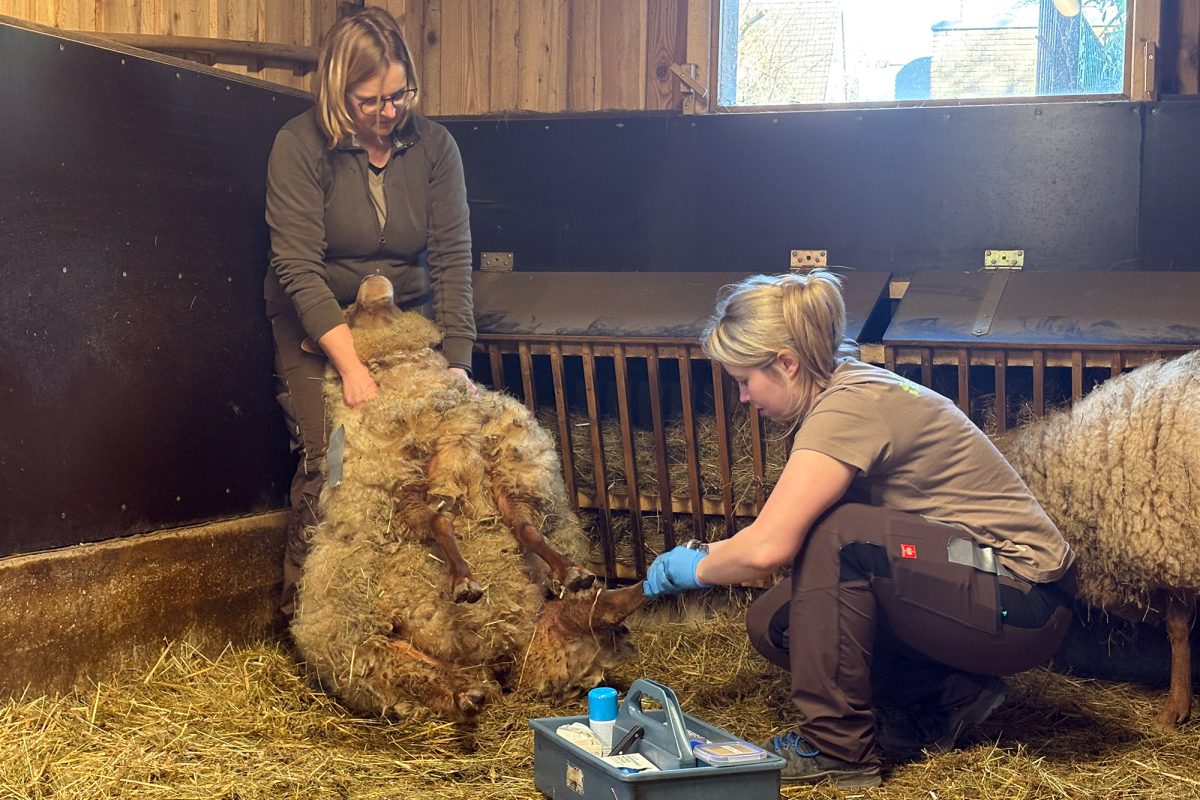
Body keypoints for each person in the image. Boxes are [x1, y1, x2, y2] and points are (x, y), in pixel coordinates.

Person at [643, 270, 1076, 789]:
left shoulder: (848, 408)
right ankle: (949, 696)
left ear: (785, 363)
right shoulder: (841, 391)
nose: (741, 398)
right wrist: (708, 552)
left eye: (743, 380)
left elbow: (770, 547)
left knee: (841, 535)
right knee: (777, 623)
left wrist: (696, 569)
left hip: (1024, 599)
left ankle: (836, 748)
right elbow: (776, 538)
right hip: (970, 588)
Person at [264, 7, 476, 618]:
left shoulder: (435, 147)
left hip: (400, 322)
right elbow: (298, 269)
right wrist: (351, 367)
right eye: (370, 101)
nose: (388, 112)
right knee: (332, 452)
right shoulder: (299, 146)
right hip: (316, 323)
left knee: (433, 447)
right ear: (337, 90)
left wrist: (457, 360)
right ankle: (307, 617)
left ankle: (404, 611)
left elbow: (452, 257)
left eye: (398, 94)